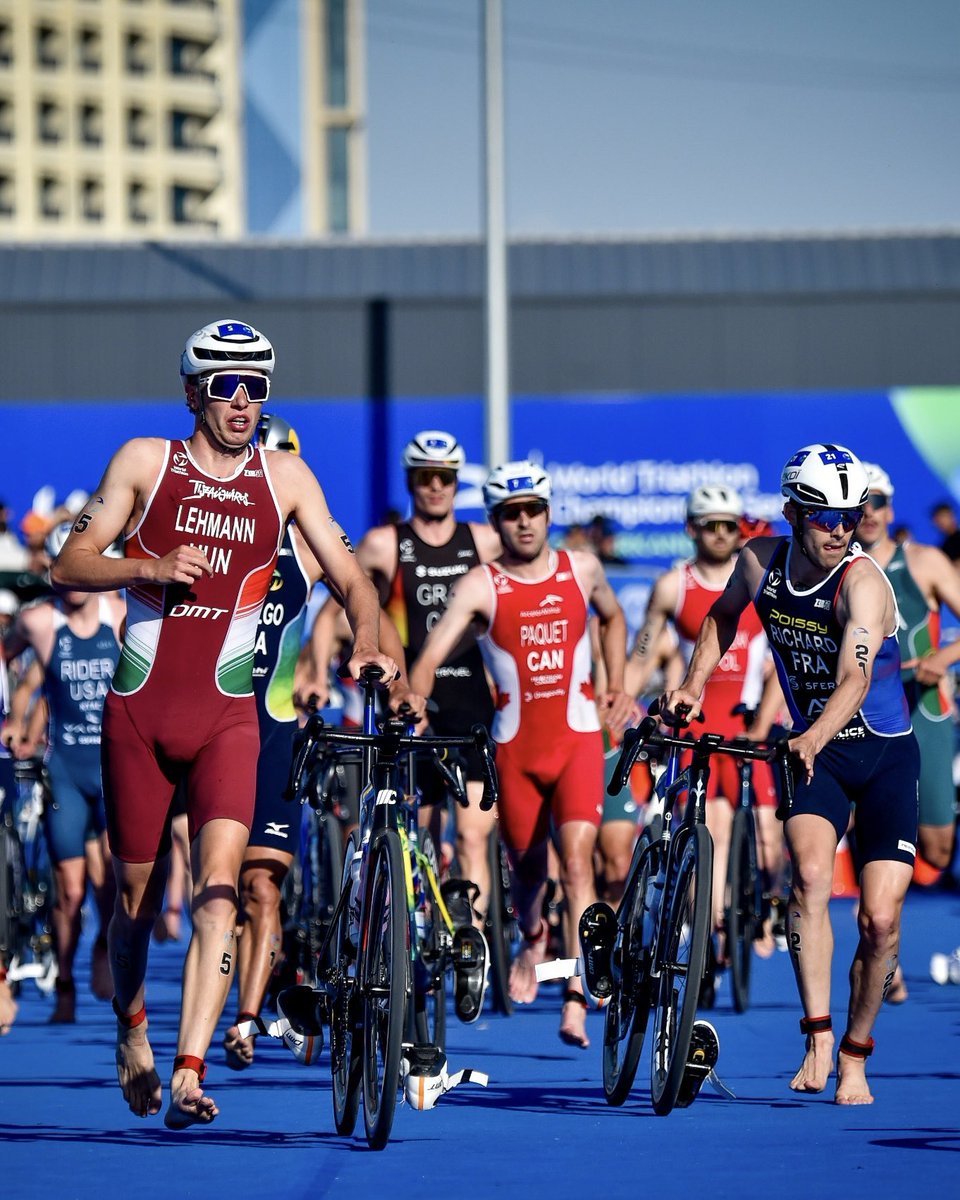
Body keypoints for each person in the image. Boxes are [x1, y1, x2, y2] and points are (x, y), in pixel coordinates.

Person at [50, 318, 398, 1130]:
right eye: (225, 385)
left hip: (227, 720)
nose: (242, 400)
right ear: (192, 392)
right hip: (138, 716)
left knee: (219, 897)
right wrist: (146, 565)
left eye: (257, 386)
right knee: (133, 904)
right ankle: (131, 1029)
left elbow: (353, 581)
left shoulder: (287, 479)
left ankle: (189, 1070)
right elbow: (67, 563)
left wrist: (373, 645)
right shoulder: (146, 461)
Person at [663, 443, 919, 1106]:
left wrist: (812, 730)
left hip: (883, 755)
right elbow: (721, 616)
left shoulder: (862, 584)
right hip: (818, 757)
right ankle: (816, 1037)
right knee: (807, 877)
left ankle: (857, 1056)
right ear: (791, 513)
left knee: (880, 924)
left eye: (850, 515)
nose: (840, 529)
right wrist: (693, 684)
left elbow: (857, 677)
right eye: (823, 517)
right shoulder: (758, 561)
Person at [409, 461, 634, 1048]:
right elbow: (430, 659)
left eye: (534, 510)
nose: (525, 522)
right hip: (515, 750)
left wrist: (618, 685)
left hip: (579, 740)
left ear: (549, 513)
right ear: (496, 522)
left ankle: (578, 998)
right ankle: (533, 938)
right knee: (529, 879)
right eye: (512, 514)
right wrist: (413, 699)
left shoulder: (581, 569)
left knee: (580, 866)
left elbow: (614, 619)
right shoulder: (480, 585)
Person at [222, 412, 421, 1071]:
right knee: (213, 895)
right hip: (209, 728)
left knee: (263, 890)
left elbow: (362, 596)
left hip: (275, 730)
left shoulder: (313, 541)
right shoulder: (214, 530)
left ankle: (246, 1020)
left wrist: (393, 675)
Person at [625, 485, 781, 968]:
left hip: (745, 726)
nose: (720, 534)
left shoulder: (759, 579)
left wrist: (766, 721)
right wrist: (623, 701)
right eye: (709, 525)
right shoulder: (675, 584)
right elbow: (645, 650)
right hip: (696, 729)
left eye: (728, 525)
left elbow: (777, 661)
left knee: (771, 844)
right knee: (708, 828)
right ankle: (709, 934)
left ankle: (766, 907)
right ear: (692, 529)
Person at [352, 430, 501, 918]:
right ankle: (418, 935)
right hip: (411, 702)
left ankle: (472, 948)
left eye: (445, 478)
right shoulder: (384, 543)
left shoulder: (484, 540)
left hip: (473, 697)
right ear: (410, 481)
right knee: (423, 832)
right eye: (424, 478)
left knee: (475, 836)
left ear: (458, 483)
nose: (435, 487)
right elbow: (345, 607)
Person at [3, 521, 123, 1021]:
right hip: (67, 770)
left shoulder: (118, 613)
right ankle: (67, 979)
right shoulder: (39, 623)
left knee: (111, 884)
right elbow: (13, 661)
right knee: (71, 891)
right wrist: (14, 718)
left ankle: (103, 949)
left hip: (114, 767)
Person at [857, 464, 960, 877]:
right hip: (859, 712)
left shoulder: (924, 561)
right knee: (847, 829)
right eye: (858, 504)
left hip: (922, 709)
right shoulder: (834, 568)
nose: (867, 513)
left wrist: (942, 657)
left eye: (876, 502)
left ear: (890, 509)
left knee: (936, 850)